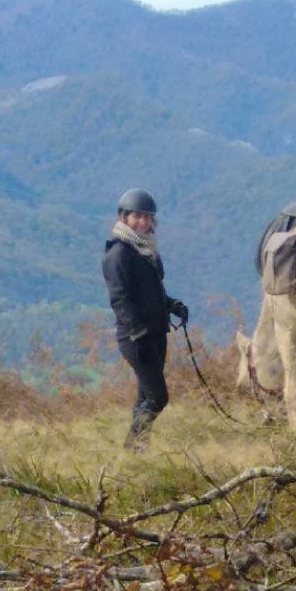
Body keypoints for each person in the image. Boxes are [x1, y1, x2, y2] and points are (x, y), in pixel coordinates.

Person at [102, 188, 188, 449]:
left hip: (155, 333)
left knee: (144, 396)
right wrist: (135, 329)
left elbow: (152, 292)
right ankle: (132, 446)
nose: (143, 222)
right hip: (136, 339)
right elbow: (120, 298)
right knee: (158, 397)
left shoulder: (145, 251)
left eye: (147, 217)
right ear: (124, 217)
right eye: (137, 216)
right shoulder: (118, 254)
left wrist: (172, 305)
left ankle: (139, 449)